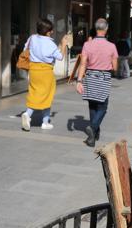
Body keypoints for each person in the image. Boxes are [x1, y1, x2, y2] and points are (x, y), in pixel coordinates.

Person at [21, 18, 70, 131]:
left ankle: (32, 116)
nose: (52, 32)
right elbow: (60, 57)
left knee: (35, 93)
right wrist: (63, 44)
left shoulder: (32, 38)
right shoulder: (50, 43)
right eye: (51, 30)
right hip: (45, 71)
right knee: (47, 95)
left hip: (33, 70)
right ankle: (37, 119)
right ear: (48, 31)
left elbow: (25, 49)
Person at [76, 18, 118, 147]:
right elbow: (115, 67)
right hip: (103, 77)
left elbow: (82, 64)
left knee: (92, 105)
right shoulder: (111, 46)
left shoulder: (87, 45)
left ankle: (92, 137)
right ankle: (93, 127)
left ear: (95, 29)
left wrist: (79, 81)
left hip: (89, 77)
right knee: (103, 107)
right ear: (106, 29)